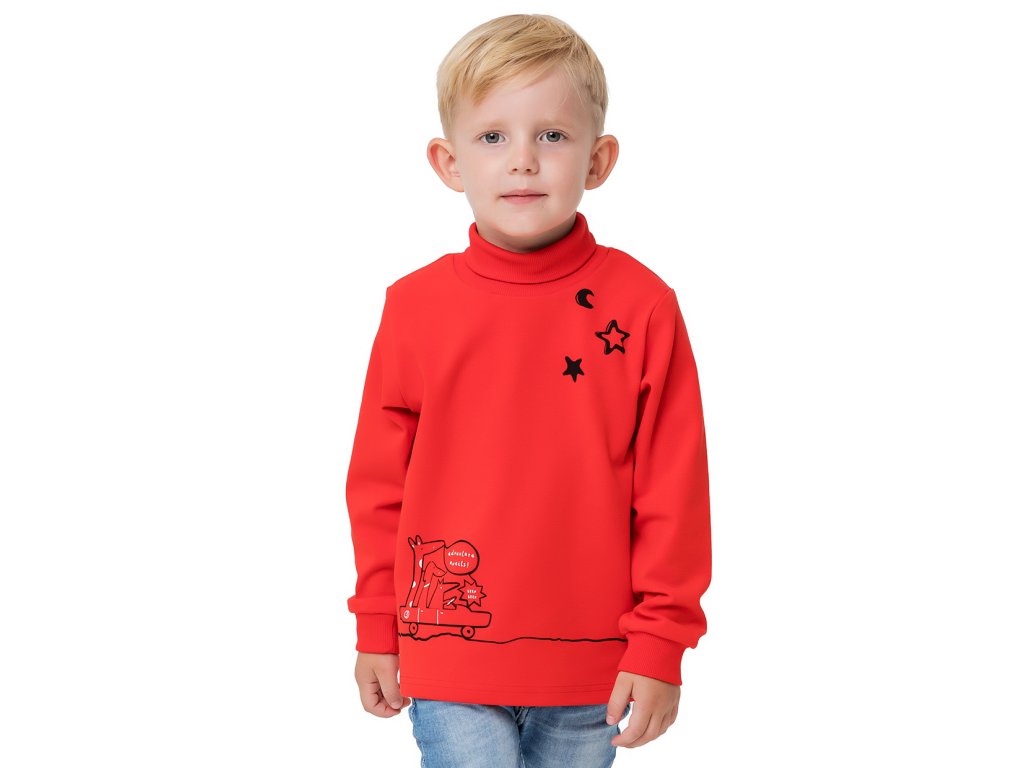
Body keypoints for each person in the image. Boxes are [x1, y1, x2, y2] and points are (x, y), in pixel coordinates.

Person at [344, 13, 712, 767]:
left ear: (598, 159)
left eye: (552, 135)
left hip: (596, 666)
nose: (522, 161)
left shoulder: (644, 306)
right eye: (492, 137)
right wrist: (376, 624)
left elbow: (674, 492)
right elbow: (378, 488)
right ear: (449, 162)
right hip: (448, 654)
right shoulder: (413, 307)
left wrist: (661, 642)